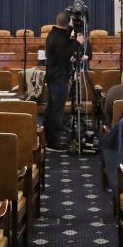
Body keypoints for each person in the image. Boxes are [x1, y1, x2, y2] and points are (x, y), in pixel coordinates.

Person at [44, 11, 81, 152]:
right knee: (57, 111)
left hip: (53, 77)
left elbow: (64, 39)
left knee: (51, 109)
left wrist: (70, 27)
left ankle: (47, 138)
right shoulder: (58, 39)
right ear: (68, 22)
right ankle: (53, 143)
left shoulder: (54, 33)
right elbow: (64, 55)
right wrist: (78, 42)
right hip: (58, 79)